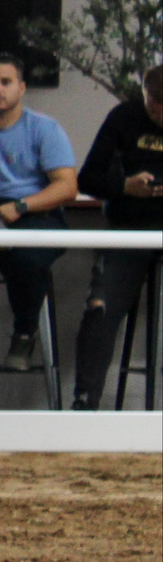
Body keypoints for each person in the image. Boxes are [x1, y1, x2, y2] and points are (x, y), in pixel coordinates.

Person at [0, 54, 79, 370]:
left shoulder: (45, 129)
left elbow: (66, 187)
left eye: (5, 82)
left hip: (37, 215)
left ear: (21, 88)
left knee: (26, 257)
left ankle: (24, 333)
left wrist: (22, 207)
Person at [70, 63, 163, 408]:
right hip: (130, 230)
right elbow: (87, 177)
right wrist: (124, 186)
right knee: (100, 306)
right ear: (144, 95)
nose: (160, 113)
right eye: (155, 105)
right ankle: (84, 404)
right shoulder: (123, 118)